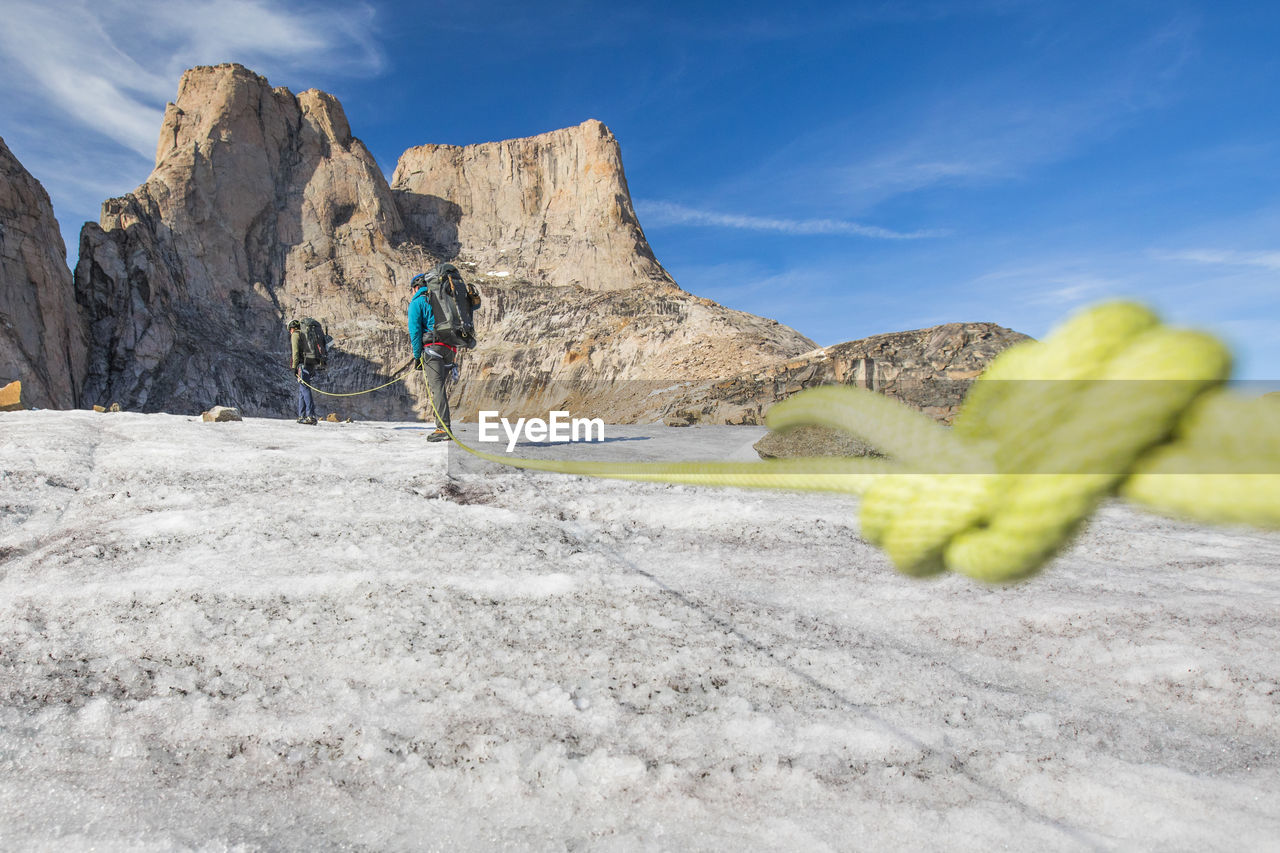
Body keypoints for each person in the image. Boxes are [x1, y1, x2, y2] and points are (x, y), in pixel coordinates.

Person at [407, 273, 456, 441]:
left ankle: (443, 429)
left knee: (437, 389)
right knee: (440, 388)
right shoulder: (444, 298)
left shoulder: (418, 301)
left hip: (432, 349)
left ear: (415, 287)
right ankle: (442, 425)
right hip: (450, 349)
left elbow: (415, 331)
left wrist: (417, 357)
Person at [288, 319, 319, 425]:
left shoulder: (296, 335)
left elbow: (295, 352)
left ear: (292, 329)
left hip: (302, 365)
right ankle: (301, 415)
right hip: (310, 364)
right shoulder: (306, 335)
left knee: (305, 389)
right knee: (302, 390)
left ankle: (311, 415)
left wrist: (294, 367)